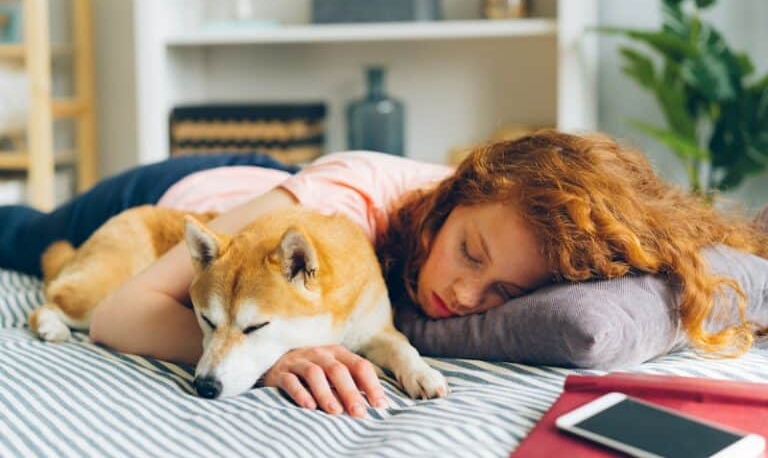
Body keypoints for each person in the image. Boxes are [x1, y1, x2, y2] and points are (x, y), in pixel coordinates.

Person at [1, 130, 766, 417]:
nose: (465, 296)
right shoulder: (350, 193)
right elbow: (120, 313)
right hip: (183, 203)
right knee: (26, 232)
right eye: (470, 253)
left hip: (288, 216)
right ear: (456, 196)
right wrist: (273, 357)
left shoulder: (517, 231)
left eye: (502, 292)